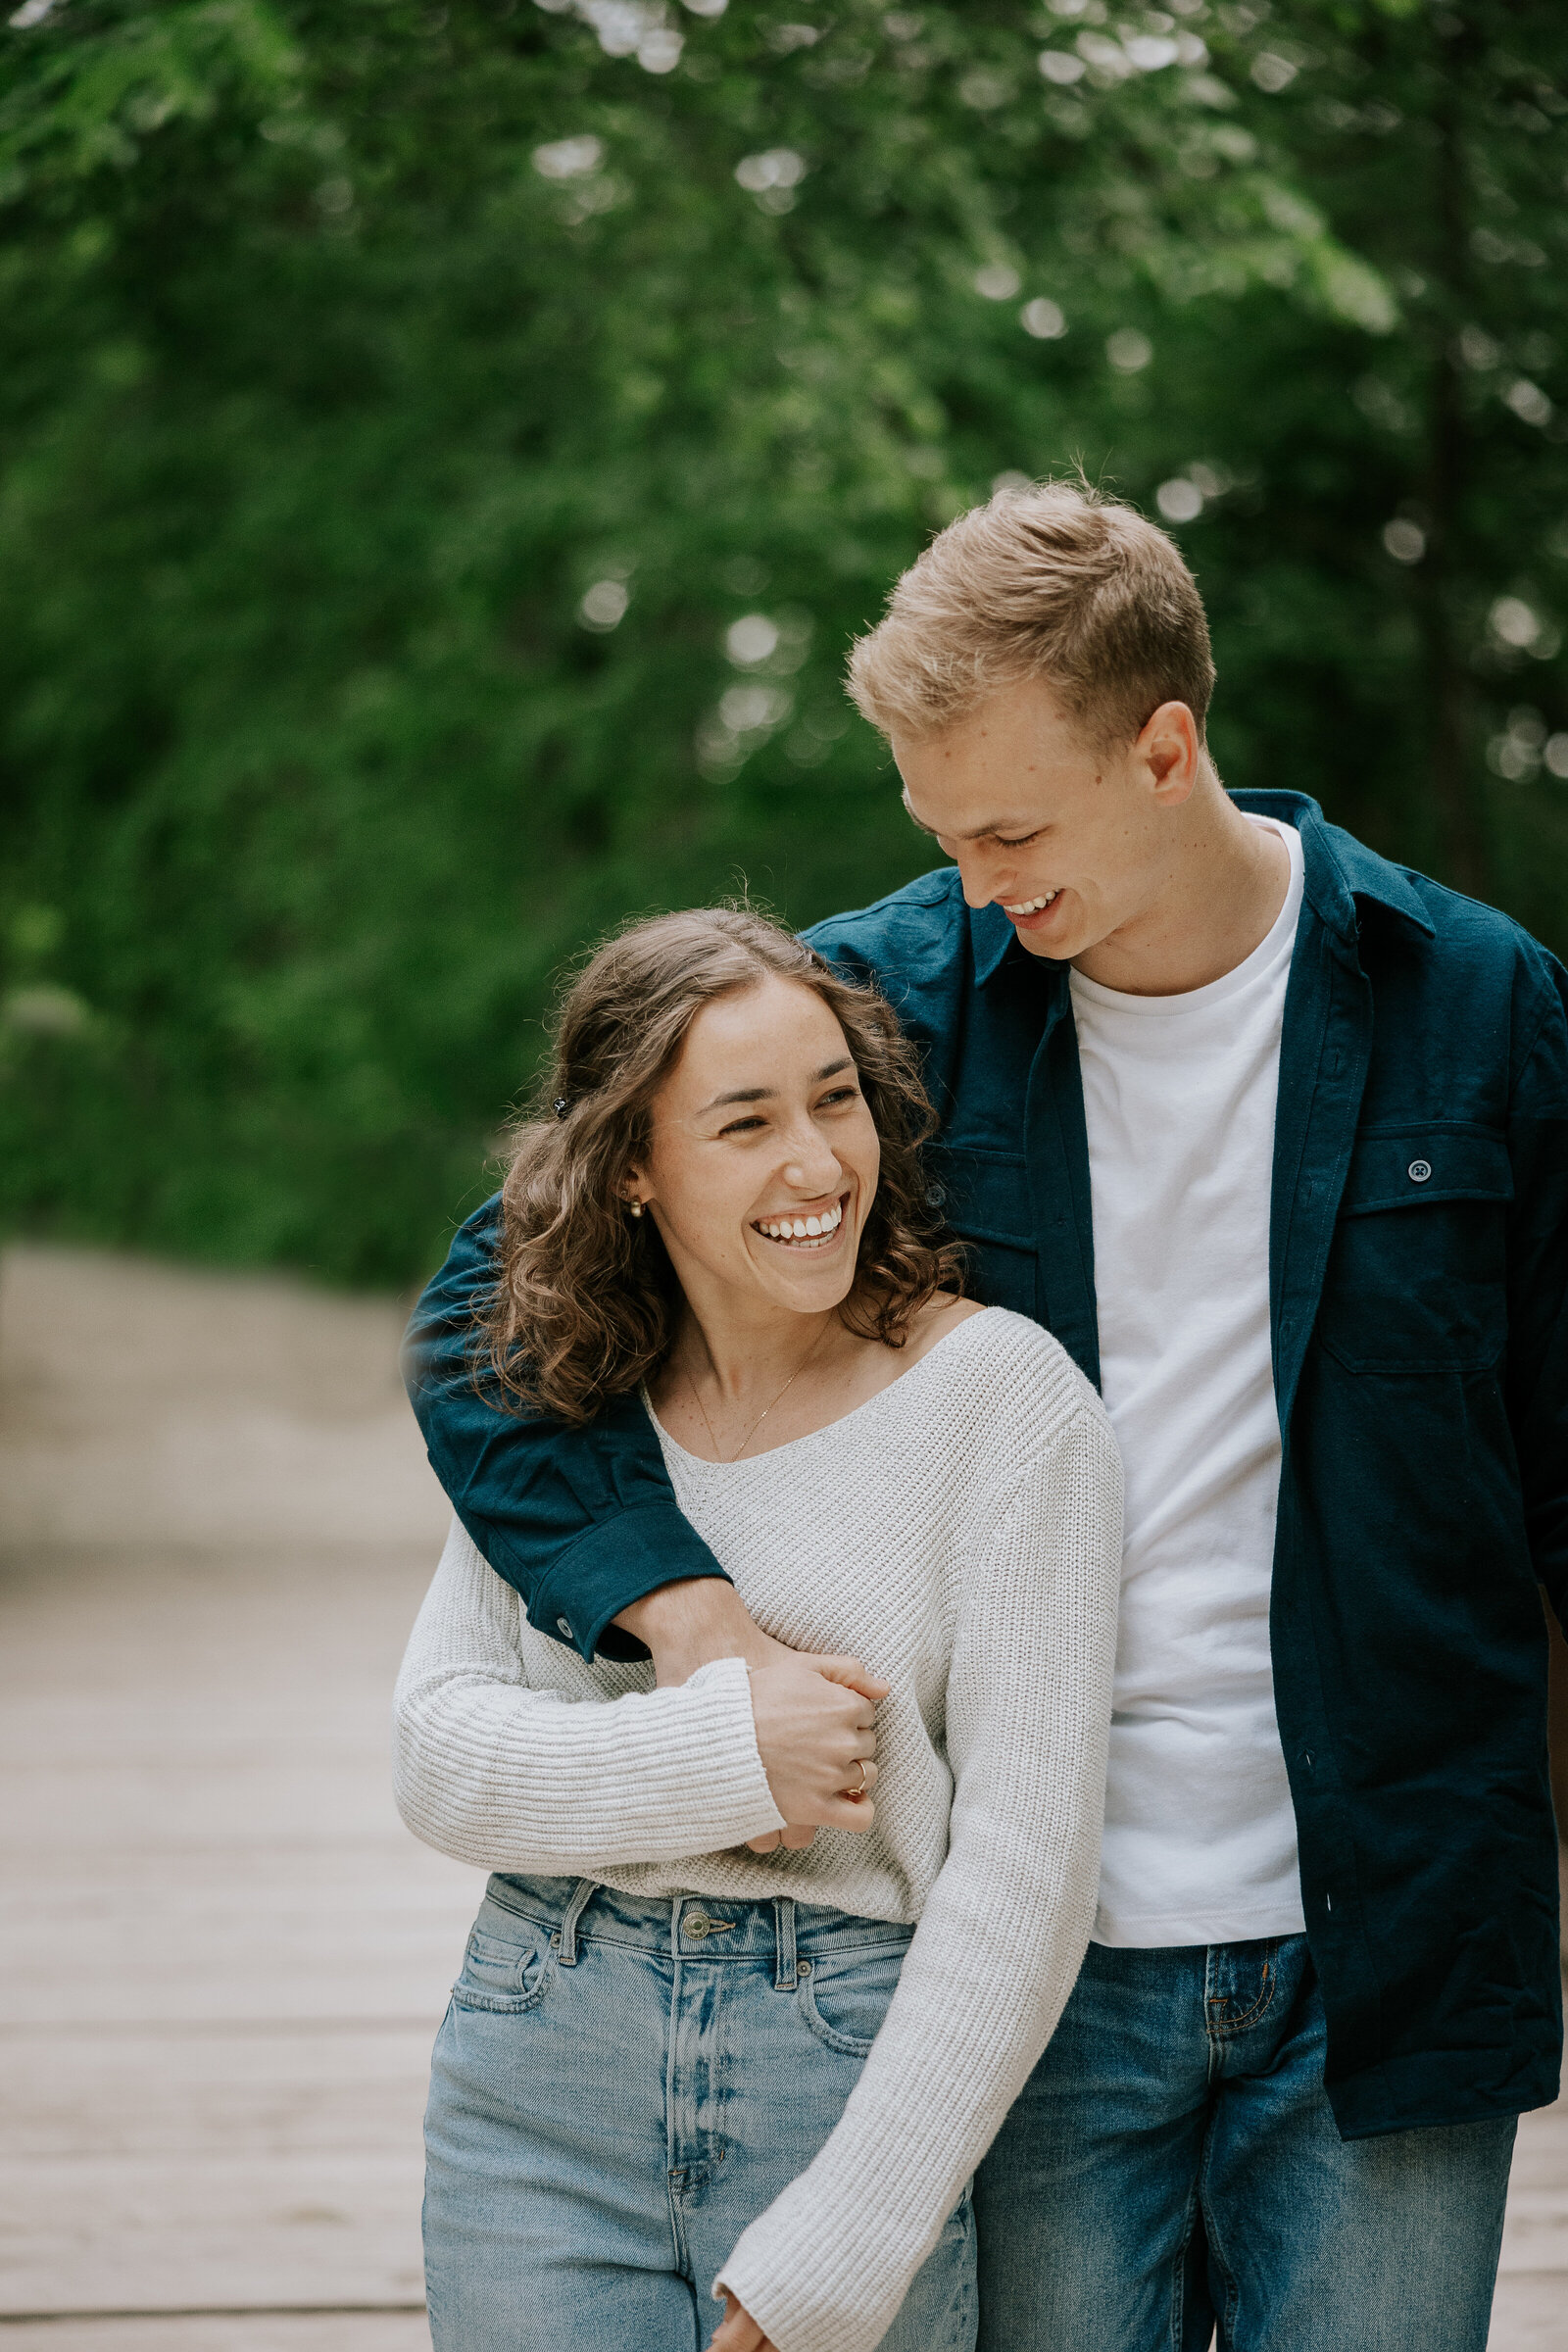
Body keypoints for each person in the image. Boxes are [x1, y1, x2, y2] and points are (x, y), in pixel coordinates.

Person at [405, 480, 1568, 2352]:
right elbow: (497, 1300)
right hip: (1021, 1952)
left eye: (1013, 827)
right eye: (940, 832)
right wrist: (674, 1608)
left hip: (1394, 1940)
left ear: (1166, 746)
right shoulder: (901, 999)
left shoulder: (1478, 1006)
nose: (976, 883)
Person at [394, 905, 1124, 2352]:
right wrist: (733, 1752)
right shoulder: (566, 1394)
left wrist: (849, 2245)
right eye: (744, 1124)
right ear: (634, 1175)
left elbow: (1025, 1879)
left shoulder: (1005, 1405)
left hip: (840, 2064)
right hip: (537, 2072)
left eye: (836, 1100)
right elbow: (438, 1757)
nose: (817, 1166)